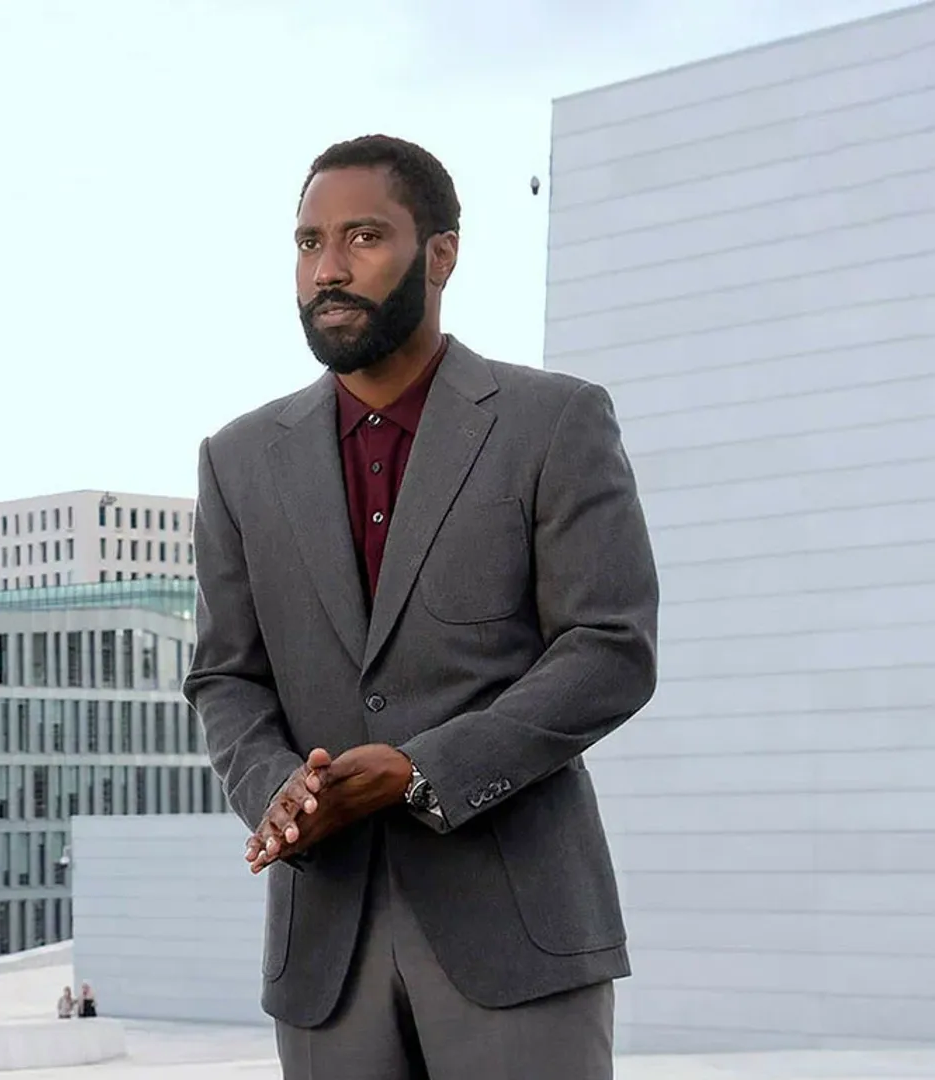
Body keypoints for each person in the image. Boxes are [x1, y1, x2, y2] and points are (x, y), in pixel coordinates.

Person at [184, 134, 659, 1079]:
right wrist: (276, 794)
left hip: (518, 930)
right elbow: (225, 675)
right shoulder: (237, 460)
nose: (327, 268)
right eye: (309, 241)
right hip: (325, 947)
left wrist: (421, 770)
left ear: (441, 252)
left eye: (363, 237)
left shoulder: (553, 421)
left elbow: (610, 648)